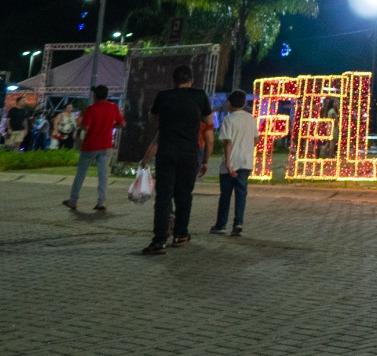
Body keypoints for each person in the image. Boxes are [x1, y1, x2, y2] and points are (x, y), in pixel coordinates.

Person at [141, 65, 214, 256]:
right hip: (189, 153)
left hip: (166, 152)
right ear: (191, 80)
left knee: (163, 197)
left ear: (173, 81)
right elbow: (209, 122)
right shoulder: (199, 95)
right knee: (184, 195)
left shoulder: (163, 96)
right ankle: (181, 234)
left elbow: (152, 118)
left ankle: (159, 240)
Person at [63, 85, 123, 212]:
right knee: (103, 175)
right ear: (106, 95)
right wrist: (111, 126)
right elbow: (122, 124)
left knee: (81, 174)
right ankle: (101, 202)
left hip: (90, 145)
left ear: (95, 96)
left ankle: (73, 200)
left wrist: (81, 125)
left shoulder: (91, 109)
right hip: (106, 145)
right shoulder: (113, 107)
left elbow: (85, 127)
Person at [209, 90, 257, 237]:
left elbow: (227, 142)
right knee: (241, 195)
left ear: (230, 103)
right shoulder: (251, 119)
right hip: (245, 162)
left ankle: (221, 225)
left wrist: (228, 164)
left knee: (225, 195)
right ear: (244, 103)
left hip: (230, 163)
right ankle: (238, 224)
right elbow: (255, 140)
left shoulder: (228, 120)